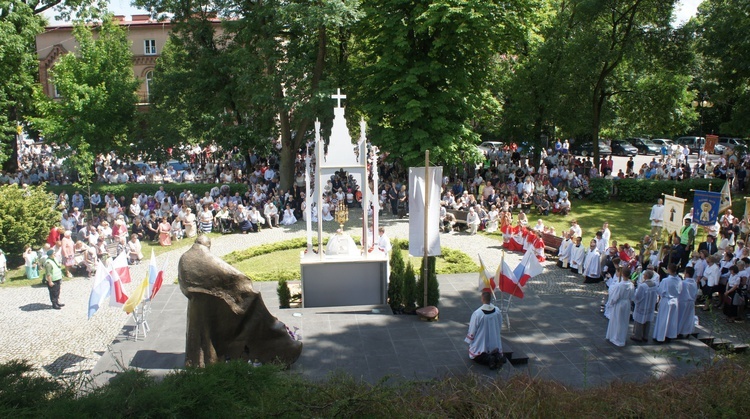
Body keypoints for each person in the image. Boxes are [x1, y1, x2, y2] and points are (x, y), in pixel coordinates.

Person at [465, 291, 505, 370]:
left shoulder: (478, 314)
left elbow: (472, 329)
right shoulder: (497, 310)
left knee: (475, 355)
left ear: (482, 299)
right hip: (494, 341)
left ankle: (489, 359)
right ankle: (498, 356)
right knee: (495, 350)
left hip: (482, 340)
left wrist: (470, 339)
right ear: (490, 299)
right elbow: (500, 323)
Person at [653, 263, 682, 343]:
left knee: (664, 319)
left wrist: (656, 287)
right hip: (675, 301)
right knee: (672, 319)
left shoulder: (666, 280)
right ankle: (669, 335)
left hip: (667, 300)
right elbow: (680, 290)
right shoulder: (679, 280)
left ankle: (660, 336)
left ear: (669, 270)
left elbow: (660, 291)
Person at [605, 267, 635, 347]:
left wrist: (611, 303)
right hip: (627, 304)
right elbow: (632, 296)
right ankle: (621, 337)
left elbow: (615, 297)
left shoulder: (619, 285)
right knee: (624, 321)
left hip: (619, 304)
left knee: (617, 320)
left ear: (622, 274)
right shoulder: (631, 284)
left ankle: (616, 337)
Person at [631, 269, 658, 343]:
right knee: (647, 320)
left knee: (639, 321)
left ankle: (637, 336)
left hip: (642, 305)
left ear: (646, 276)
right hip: (650, 306)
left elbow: (638, 297)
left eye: (644, 275)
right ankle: (645, 335)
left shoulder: (643, 286)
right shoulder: (654, 284)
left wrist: (634, 298)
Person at [677, 266, 698, 337]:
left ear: (687, 274)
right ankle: (687, 331)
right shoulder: (694, 282)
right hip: (691, 302)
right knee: (689, 318)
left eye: (685, 272)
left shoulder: (684, 283)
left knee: (682, 317)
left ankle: (680, 331)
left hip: (684, 301)